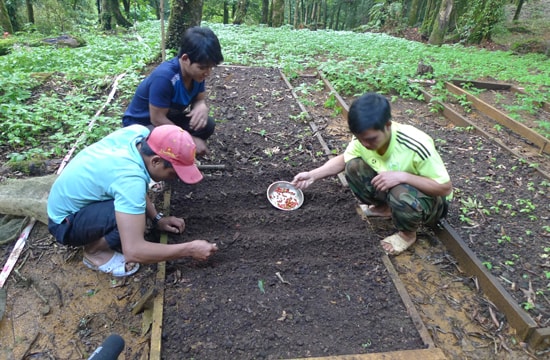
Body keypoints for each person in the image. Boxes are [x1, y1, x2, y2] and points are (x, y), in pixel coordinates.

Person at [291, 93, 452, 255]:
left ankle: (407, 234)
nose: (365, 144)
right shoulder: (363, 140)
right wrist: (313, 175)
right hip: (395, 190)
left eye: (371, 139)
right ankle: (384, 208)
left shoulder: (416, 144)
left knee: (400, 191)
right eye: (360, 139)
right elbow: (344, 159)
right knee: (354, 166)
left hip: (430, 203)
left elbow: (444, 188)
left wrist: (403, 176)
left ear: (387, 125)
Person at [47, 124, 218, 277]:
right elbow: (134, 251)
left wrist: (157, 219)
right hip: (64, 224)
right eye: (173, 173)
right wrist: (189, 249)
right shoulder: (130, 179)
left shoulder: (138, 134)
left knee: (135, 211)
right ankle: (94, 252)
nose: (175, 179)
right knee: (134, 222)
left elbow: (133, 187)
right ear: (156, 161)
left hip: (74, 203)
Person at [122, 26, 224, 156]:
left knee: (207, 125)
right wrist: (188, 139)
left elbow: (199, 99)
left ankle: (178, 153)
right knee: (163, 142)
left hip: (167, 118)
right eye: (203, 67)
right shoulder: (165, 77)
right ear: (185, 59)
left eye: (211, 67)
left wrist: (201, 106)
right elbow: (157, 119)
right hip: (141, 125)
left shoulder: (196, 75)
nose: (208, 73)